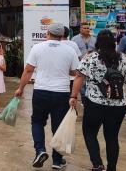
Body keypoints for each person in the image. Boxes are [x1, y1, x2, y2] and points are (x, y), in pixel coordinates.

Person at [14, 23, 79, 170]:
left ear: (47, 33)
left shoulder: (37, 48)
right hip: (61, 93)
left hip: (41, 91)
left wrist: (20, 88)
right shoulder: (70, 50)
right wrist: (63, 72)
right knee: (58, 126)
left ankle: (40, 150)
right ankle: (57, 161)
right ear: (62, 35)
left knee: (37, 122)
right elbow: (76, 73)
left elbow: (29, 70)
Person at [70, 30, 126, 171]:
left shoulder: (91, 57)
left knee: (89, 132)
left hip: (95, 104)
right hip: (118, 105)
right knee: (112, 137)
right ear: (114, 42)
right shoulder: (124, 58)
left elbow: (79, 77)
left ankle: (97, 164)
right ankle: (112, 168)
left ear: (98, 42)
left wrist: (73, 96)